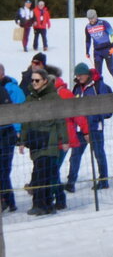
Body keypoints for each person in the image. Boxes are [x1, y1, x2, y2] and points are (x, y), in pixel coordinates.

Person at [18, 68, 67, 216]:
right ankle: (44, 204)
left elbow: (60, 121)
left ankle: (42, 204)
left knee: (43, 172)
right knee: (40, 171)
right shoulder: (30, 98)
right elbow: (25, 122)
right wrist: (22, 141)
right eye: (32, 80)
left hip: (49, 140)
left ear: (45, 81)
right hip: (36, 140)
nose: (34, 83)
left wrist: (64, 139)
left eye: (37, 80)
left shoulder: (53, 98)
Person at [66, 63, 113, 192]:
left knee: (98, 154)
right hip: (80, 129)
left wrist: (97, 118)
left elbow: (108, 106)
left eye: (80, 75)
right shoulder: (77, 88)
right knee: (75, 155)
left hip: (95, 128)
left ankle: (103, 180)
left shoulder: (98, 86)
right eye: (77, 75)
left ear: (87, 74)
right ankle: (71, 182)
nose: (78, 77)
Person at [47, 65, 88, 210]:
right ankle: (55, 198)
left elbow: (77, 113)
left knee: (52, 169)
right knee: (51, 169)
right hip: (51, 139)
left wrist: (86, 131)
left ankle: (57, 199)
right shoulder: (47, 94)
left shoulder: (63, 93)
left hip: (64, 138)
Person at [0, 63, 25, 213]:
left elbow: (18, 111)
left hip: (6, 136)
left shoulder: (9, 90)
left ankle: (7, 201)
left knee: (3, 171)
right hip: (5, 134)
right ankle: (8, 200)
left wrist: (18, 131)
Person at [84, 9, 113, 92]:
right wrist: (87, 51)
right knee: (98, 73)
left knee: (111, 69)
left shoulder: (103, 23)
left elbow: (112, 34)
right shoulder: (87, 27)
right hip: (97, 51)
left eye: (93, 18)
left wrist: (112, 47)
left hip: (107, 49)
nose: (91, 20)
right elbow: (88, 40)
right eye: (89, 19)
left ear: (96, 16)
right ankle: (99, 90)